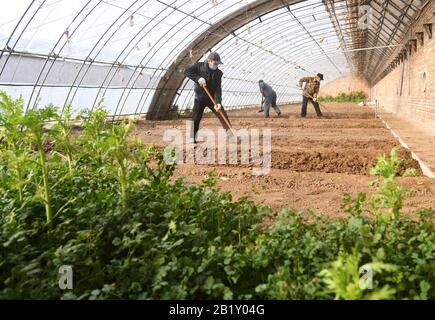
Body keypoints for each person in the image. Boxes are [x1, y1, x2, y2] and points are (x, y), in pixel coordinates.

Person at [184, 52, 231, 144]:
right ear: (209, 61)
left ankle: (231, 136)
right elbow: (187, 72)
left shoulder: (218, 73)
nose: (217, 65)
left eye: (218, 64)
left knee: (222, 115)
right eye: (215, 63)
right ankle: (192, 138)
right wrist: (198, 78)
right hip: (200, 98)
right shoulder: (198, 66)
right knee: (196, 118)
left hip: (212, 99)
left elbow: (218, 88)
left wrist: (218, 102)